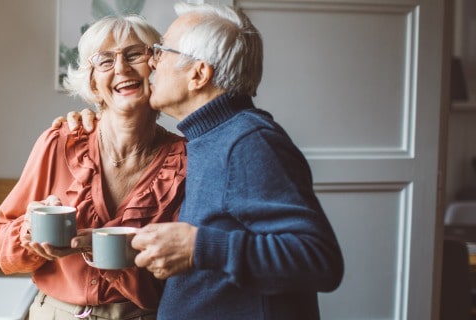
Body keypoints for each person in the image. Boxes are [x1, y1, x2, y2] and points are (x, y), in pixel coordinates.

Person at [55, 2, 345, 319]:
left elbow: (320, 260)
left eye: (162, 52)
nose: (152, 63)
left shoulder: (248, 143)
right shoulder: (210, 138)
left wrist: (199, 248)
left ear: (198, 74)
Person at [0, 15, 187, 319]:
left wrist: (104, 249)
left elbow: (184, 272)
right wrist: (28, 233)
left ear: (156, 67)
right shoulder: (58, 142)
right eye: (105, 61)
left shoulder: (185, 160)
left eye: (134, 54)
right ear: (93, 84)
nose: (122, 68)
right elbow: (7, 253)